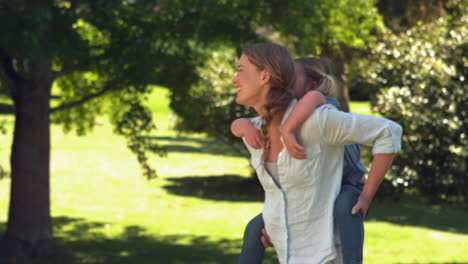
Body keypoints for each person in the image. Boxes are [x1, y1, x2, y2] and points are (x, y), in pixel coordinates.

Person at [230, 43, 402, 264]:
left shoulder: (317, 121)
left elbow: (388, 132)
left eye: (241, 69)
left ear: (264, 77)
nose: (235, 79)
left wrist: (366, 195)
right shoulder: (254, 133)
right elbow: (287, 198)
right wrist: (277, 226)